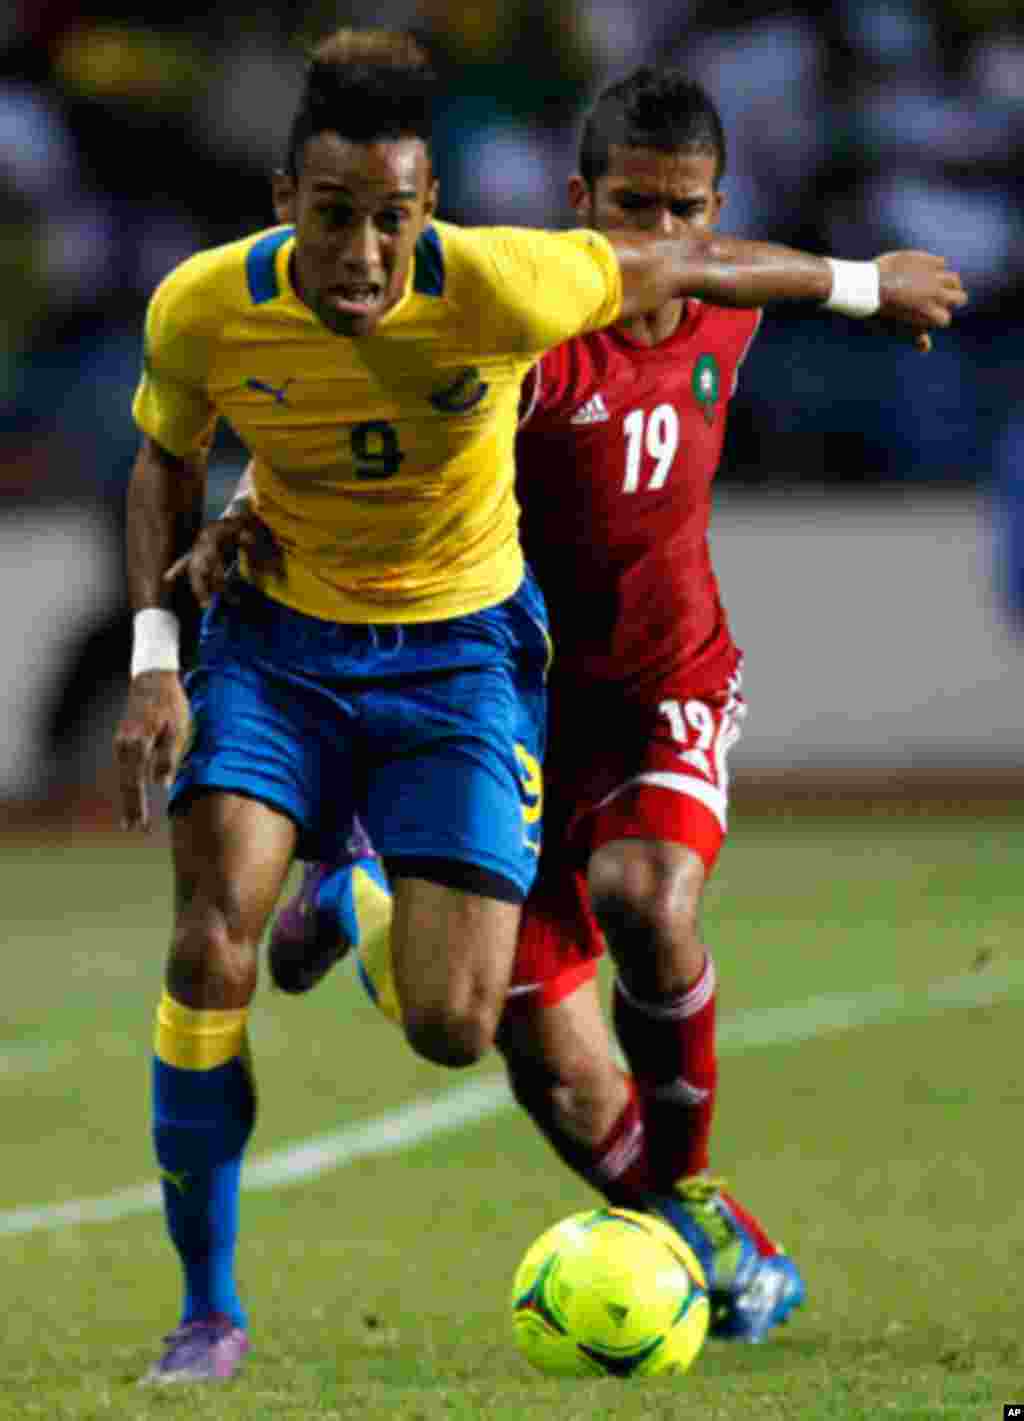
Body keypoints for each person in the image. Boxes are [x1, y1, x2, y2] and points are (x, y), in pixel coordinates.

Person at [115, 28, 965, 1386]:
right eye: (632, 207)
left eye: (683, 213)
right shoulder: (432, 322)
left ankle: (674, 1196)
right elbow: (284, 438)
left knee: (567, 953)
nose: (658, 241)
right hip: (398, 670)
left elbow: (709, 269)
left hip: (595, 682)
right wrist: (206, 571)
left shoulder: (605, 290)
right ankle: (218, 1293)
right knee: (357, 991)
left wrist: (866, 285)